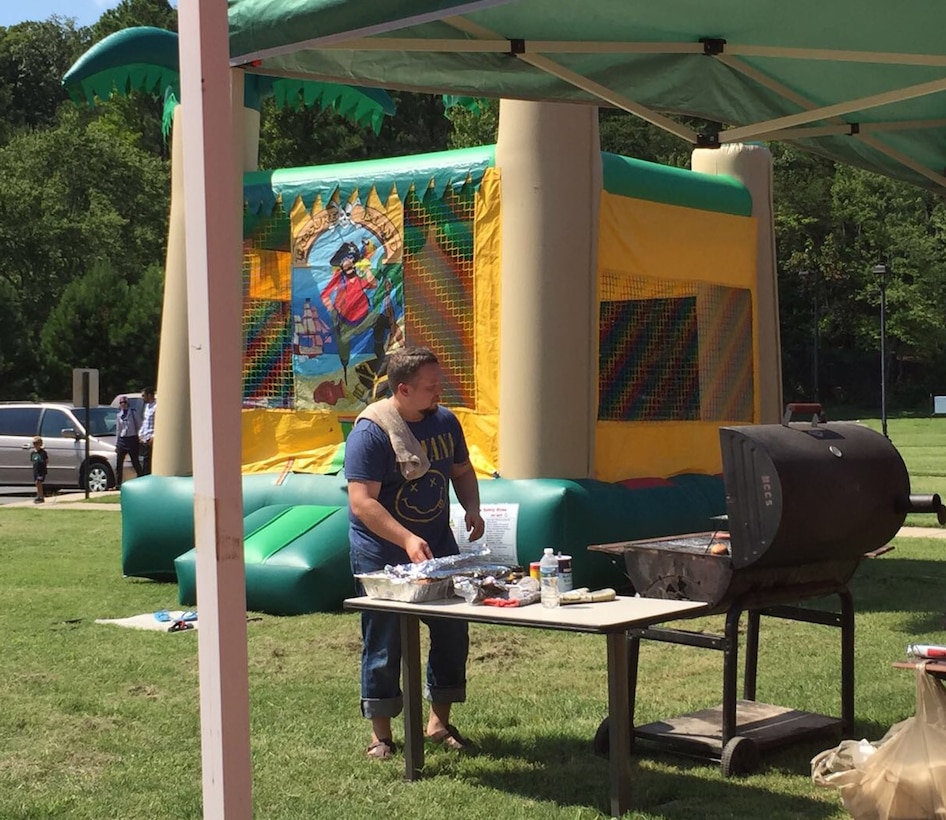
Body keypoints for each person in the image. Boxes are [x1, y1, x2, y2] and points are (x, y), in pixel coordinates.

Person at [345, 346, 485, 760]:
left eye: (438, 382)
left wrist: (471, 506)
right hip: (382, 552)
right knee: (384, 639)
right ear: (402, 389)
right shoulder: (371, 432)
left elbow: (461, 470)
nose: (438, 391)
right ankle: (381, 735)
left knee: (451, 631)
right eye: (430, 386)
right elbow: (362, 502)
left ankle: (438, 724)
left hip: (438, 546)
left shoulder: (445, 421)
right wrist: (405, 538)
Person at [114, 396, 142, 488]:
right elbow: (118, 430)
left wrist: (138, 436)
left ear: (127, 403)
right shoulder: (119, 415)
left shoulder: (133, 412)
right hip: (123, 439)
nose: (123, 404)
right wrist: (117, 443)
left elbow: (139, 425)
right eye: (121, 403)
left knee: (135, 461)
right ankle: (118, 483)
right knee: (119, 462)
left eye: (124, 402)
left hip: (132, 438)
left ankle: (140, 478)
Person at [138, 387, 157, 475]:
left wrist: (153, 436)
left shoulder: (156, 406)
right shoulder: (146, 406)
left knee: (148, 462)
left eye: (143, 395)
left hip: (151, 439)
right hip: (144, 438)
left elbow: (159, 423)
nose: (142, 398)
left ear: (149, 395)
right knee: (145, 461)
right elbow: (145, 421)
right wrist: (140, 434)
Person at [31, 436, 48, 504]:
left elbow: (46, 460)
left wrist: (44, 468)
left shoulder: (43, 453)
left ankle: (41, 496)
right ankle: (39, 495)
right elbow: (33, 461)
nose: (35, 445)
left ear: (40, 444)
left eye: (37, 443)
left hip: (41, 470)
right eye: (34, 443)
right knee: (36, 483)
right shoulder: (33, 453)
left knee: (39, 482)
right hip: (36, 470)